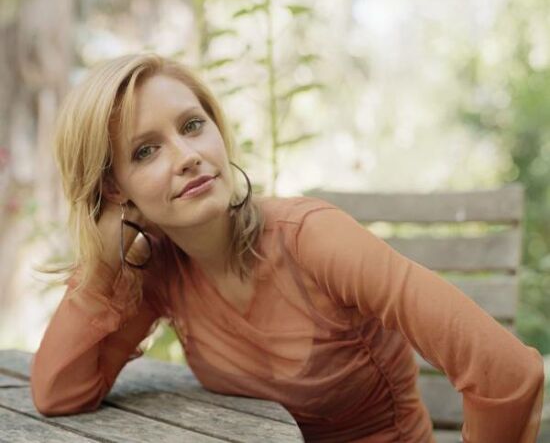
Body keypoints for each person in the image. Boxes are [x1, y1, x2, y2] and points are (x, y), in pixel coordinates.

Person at [30, 53, 544, 443]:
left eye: (192, 126)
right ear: (114, 188)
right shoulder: (160, 272)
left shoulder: (313, 239)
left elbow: (507, 374)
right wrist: (103, 266)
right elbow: (59, 393)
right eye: (146, 151)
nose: (187, 156)